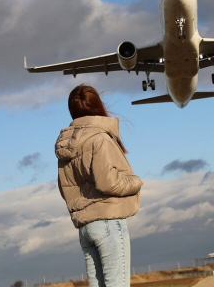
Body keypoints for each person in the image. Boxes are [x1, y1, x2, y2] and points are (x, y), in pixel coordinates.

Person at [55, 84, 143, 287]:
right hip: (107, 223)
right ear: (98, 106)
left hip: (85, 227)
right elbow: (108, 183)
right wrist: (136, 182)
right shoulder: (100, 139)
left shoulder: (64, 146)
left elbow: (64, 188)